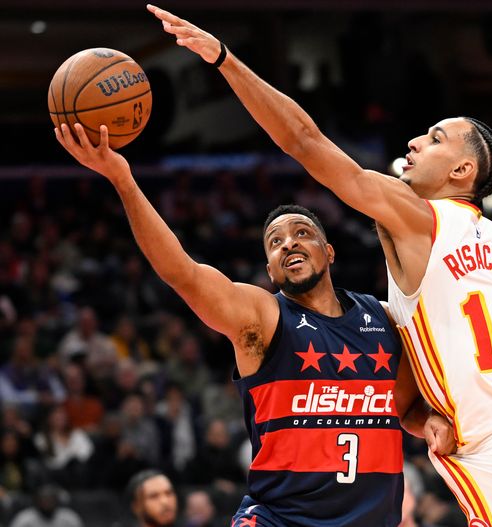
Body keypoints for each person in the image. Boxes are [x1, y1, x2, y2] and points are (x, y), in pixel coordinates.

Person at [147, 5, 492, 525]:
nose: (415, 142)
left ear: (462, 170)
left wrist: (225, 59)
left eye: (435, 138)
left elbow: (304, 141)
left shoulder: (419, 218)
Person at [54, 123, 454, 527]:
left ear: (329, 252)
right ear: (270, 270)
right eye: (275, 242)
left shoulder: (382, 318)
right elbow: (182, 273)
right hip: (280, 519)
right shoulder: (262, 318)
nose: (289, 243)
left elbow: (407, 409)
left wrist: (431, 421)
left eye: (302, 233)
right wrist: (123, 180)